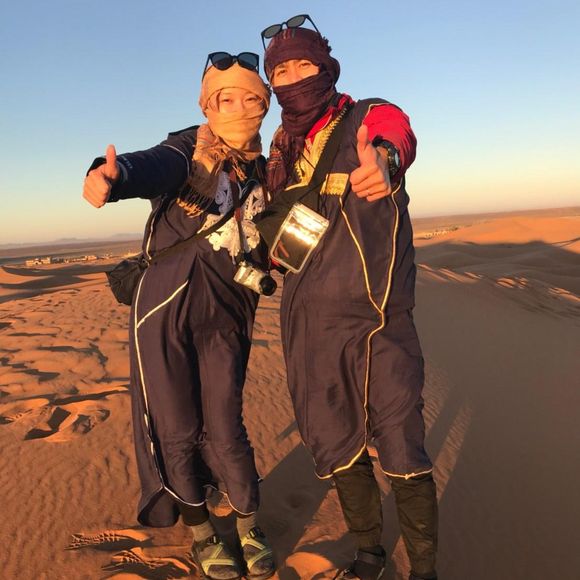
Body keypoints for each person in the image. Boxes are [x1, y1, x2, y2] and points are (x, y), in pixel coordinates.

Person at [254, 15, 438, 580]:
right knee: (338, 444)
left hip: (379, 323)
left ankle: (425, 570)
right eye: (281, 72)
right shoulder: (279, 154)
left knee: (402, 447)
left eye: (303, 65)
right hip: (308, 326)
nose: (293, 78)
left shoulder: (364, 117)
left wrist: (385, 161)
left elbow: (396, 131)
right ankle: (369, 553)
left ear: (326, 66)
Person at [82, 53, 276, 580]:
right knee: (176, 426)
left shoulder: (266, 169)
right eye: (226, 99)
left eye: (252, 100)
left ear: (264, 107)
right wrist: (113, 175)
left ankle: (249, 521)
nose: (239, 109)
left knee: (227, 425)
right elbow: (153, 165)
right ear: (208, 105)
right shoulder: (187, 148)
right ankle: (201, 530)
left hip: (229, 314)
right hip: (164, 310)